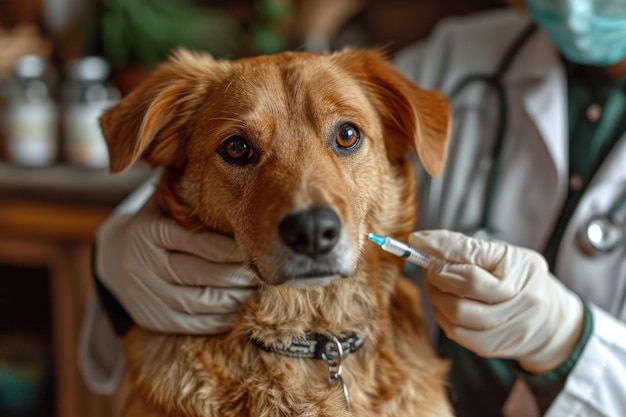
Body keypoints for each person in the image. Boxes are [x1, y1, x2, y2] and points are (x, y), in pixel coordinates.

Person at [79, 1, 626, 416]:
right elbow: (179, 182)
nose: (308, 210)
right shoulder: (462, 54)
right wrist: (115, 258)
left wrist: (565, 337)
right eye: (240, 149)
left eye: (345, 137)